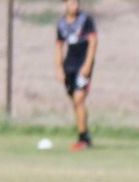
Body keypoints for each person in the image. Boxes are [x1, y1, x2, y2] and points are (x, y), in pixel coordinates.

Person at [55, 0, 97, 151]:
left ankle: (83, 138)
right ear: (64, 4)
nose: (76, 6)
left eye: (77, 3)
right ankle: (84, 135)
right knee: (75, 102)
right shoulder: (61, 23)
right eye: (72, 3)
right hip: (69, 67)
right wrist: (59, 68)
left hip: (83, 66)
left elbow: (93, 42)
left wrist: (87, 65)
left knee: (79, 99)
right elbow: (59, 46)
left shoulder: (85, 20)